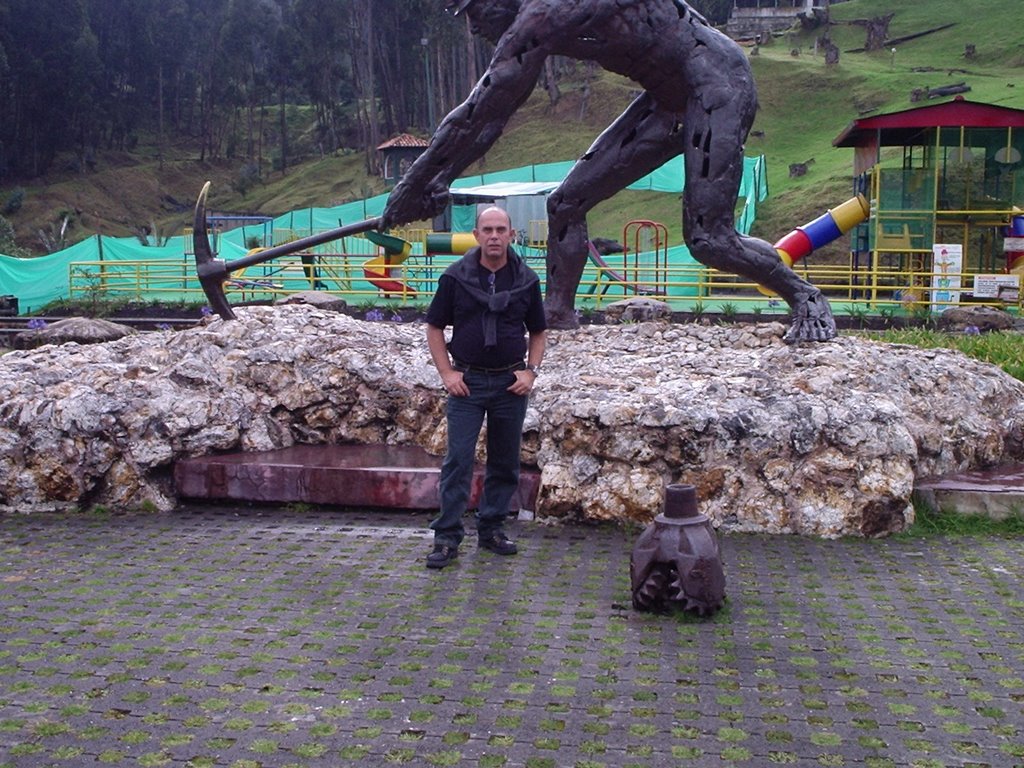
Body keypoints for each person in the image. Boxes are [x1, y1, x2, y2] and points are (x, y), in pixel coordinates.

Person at [381, 0, 835, 343]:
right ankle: (556, 316)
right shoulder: (539, 17)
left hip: (718, 85)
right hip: (666, 98)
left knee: (708, 239)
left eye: (475, 9)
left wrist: (418, 182)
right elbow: (487, 115)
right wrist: (432, 179)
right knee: (564, 204)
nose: (474, 23)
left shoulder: (547, 13)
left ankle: (805, 297)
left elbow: (484, 109)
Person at [424, 206, 547, 569]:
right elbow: (434, 328)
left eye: (501, 230)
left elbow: (538, 331)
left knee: (505, 461)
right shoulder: (455, 278)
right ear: (476, 235)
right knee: (458, 461)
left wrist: (531, 372)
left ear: (512, 235)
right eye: (487, 230)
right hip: (468, 383)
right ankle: (446, 537)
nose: (494, 236)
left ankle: (492, 528)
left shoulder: (526, 279)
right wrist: (447, 373)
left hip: (511, 383)